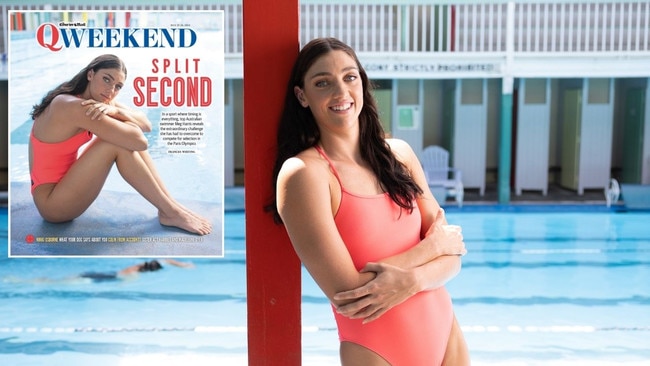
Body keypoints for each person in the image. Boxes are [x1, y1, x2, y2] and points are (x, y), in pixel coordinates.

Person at [269, 38, 470, 365]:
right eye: (323, 83)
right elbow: (348, 294)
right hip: (376, 348)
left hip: (445, 331)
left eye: (349, 77)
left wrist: (414, 279)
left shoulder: (400, 155)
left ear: (362, 83)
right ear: (301, 96)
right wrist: (429, 250)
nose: (340, 92)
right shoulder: (305, 174)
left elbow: (454, 256)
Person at [29, 54, 211, 235]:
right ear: (90, 74)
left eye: (118, 86)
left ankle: (170, 206)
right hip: (53, 204)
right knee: (115, 143)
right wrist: (122, 117)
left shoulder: (97, 98)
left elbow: (146, 124)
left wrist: (115, 110)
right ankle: (171, 212)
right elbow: (140, 142)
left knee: (118, 138)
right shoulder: (72, 105)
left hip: (62, 187)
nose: (110, 90)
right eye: (106, 79)